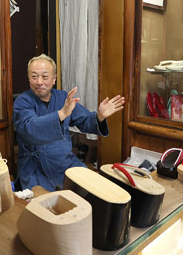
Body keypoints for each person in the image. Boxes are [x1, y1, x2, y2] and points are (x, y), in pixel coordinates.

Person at [13, 54, 125, 191]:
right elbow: (30, 128)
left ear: (54, 79)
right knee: (44, 205)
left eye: (45, 76)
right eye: (34, 76)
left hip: (64, 161)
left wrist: (100, 116)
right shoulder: (22, 102)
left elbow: (84, 120)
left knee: (93, 190)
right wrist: (61, 114)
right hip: (35, 168)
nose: (39, 82)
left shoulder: (62, 98)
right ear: (29, 78)